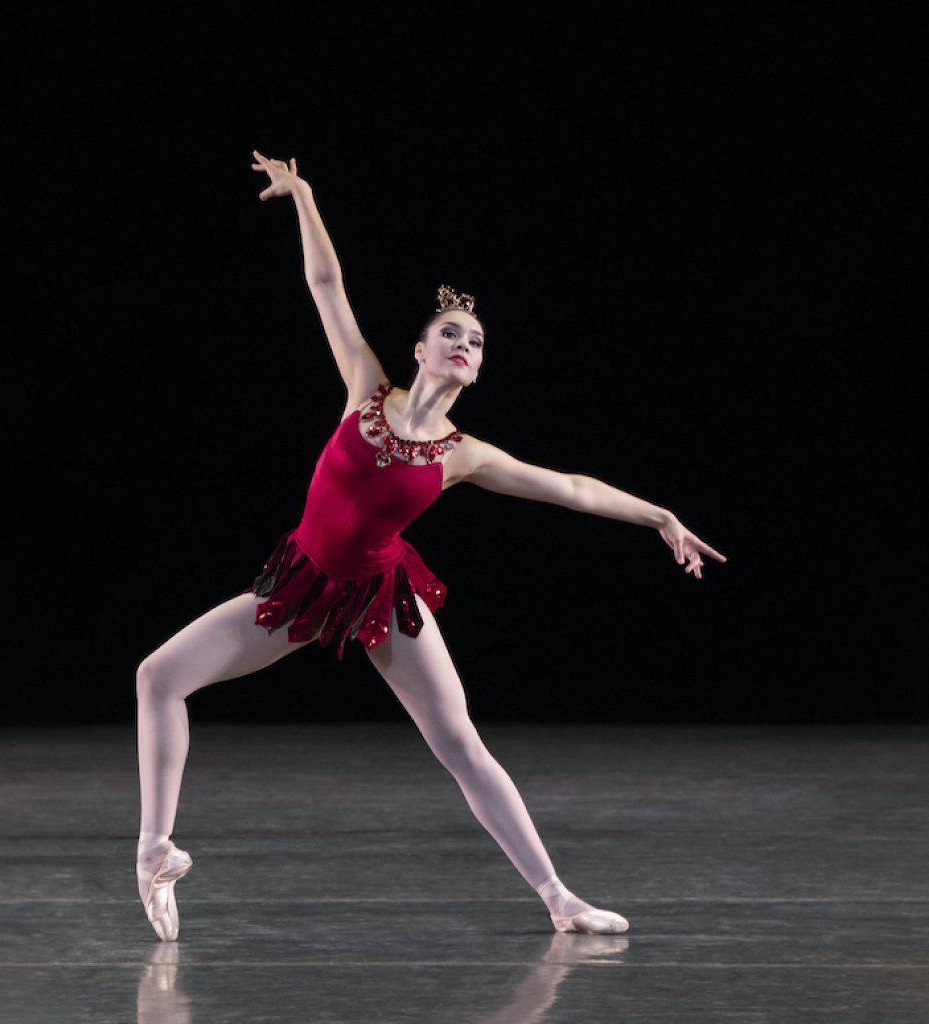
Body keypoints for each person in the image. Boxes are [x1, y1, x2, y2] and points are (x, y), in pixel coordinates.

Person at [134, 151, 728, 942]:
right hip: (303, 584)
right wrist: (304, 195)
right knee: (159, 677)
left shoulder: (464, 456)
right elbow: (326, 287)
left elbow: (574, 487)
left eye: (474, 342)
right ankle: (154, 852)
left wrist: (660, 515)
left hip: (382, 598)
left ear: (476, 371)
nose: (462, 344)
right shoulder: (364, 388)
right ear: (419, 350)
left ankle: (560, 898)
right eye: (449, 332)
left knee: (462, 746)